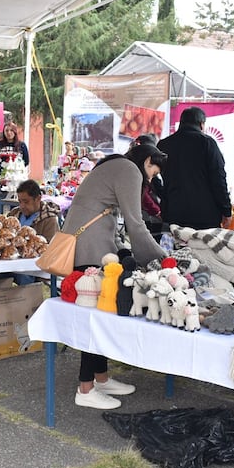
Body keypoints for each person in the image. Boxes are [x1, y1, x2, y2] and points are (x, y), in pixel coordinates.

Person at [63, 143, 167, 409]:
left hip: (90, 240)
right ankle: (85, 389)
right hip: (89, 245)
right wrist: (161, 259)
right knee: (95, 315)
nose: (152, 177)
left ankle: (100, 378)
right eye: (154, 170)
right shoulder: (130, 170)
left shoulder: (117, 164)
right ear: (147, 161)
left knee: (101, 309)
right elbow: (135, 222)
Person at [157, 107, 232, 229]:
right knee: (203, 247)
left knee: (177, 247)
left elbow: (154, 178)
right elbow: (218, 179)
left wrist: (165, 198)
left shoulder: (163, 144)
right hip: (205, 215)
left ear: (181, 123)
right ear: (202, 124)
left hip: (173, 213)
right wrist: (226, 210)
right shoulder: (207, 143)